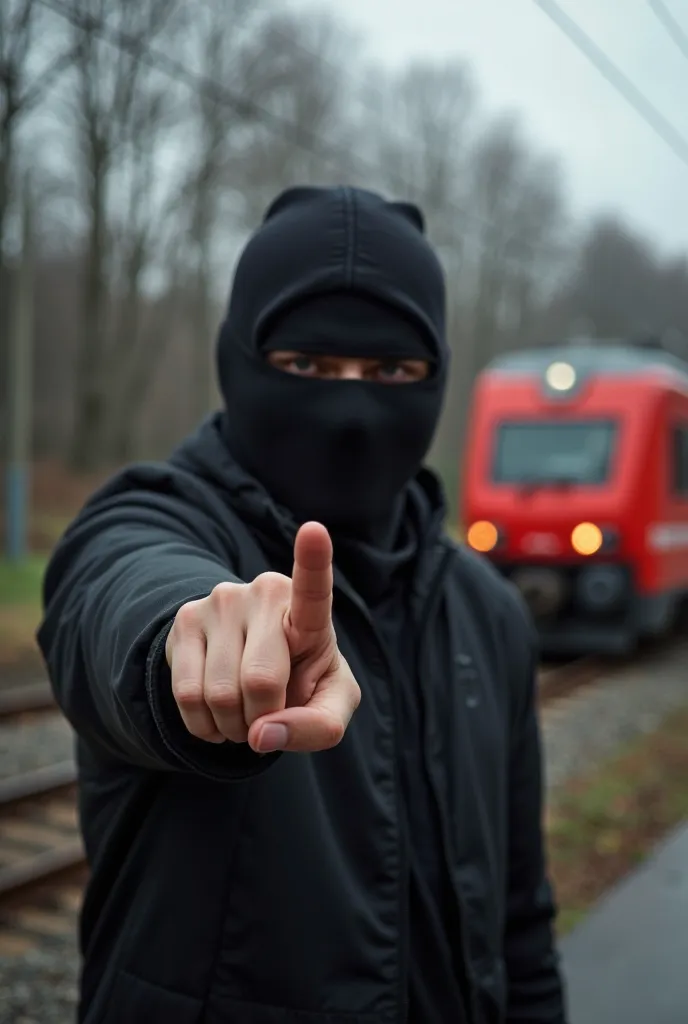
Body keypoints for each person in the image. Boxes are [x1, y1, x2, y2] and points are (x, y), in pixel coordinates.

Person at [38, 185, 567, 1024]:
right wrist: (191, 642)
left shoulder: (488, 614)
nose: (352, 406)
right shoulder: (153, 519)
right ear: (238, 361)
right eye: (306, 366)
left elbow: (521, 923)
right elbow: (118, 586)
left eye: (394, 370)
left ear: (436, 381)